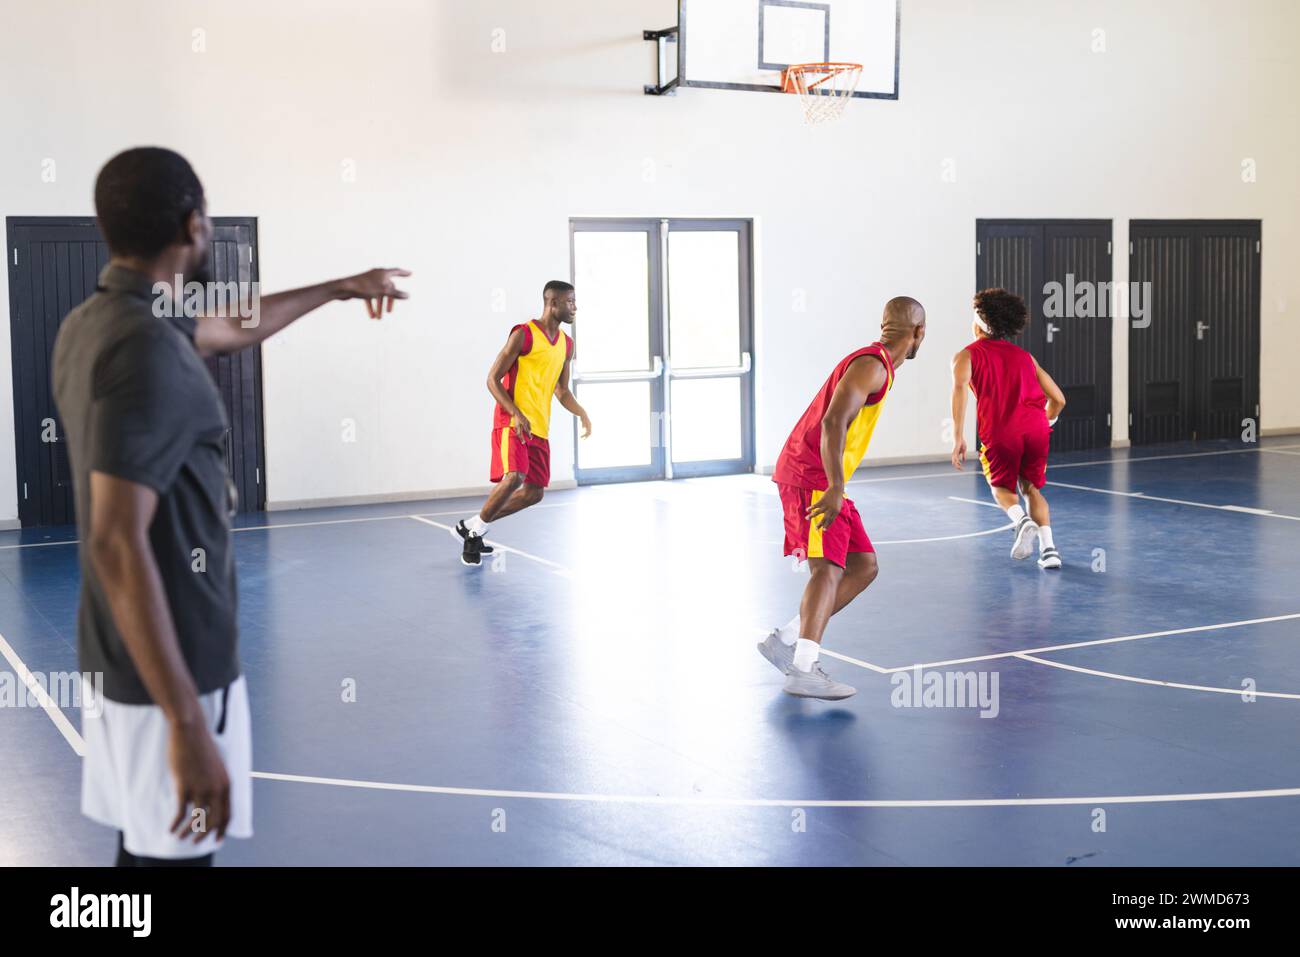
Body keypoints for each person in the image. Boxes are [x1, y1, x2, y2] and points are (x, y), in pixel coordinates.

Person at [52, 146, 410, 865]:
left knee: (145, 854)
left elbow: (234, 324)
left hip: (127, 662)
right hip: (171, 672)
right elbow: (118, 543)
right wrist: (187, 721)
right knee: (171, 861)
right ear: (192, 225)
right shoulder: (146, 345)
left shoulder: (99, 321)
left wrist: (342, 286)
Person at [759, 297, 927, 700]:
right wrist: (834, 486)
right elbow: (834, 421)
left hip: (822, 476)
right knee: (827, 569)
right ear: (918, 334)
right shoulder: (871, 365)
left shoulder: (879, 365)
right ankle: (803, 669)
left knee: (863, 565)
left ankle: (786, 639)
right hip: (813, 476)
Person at [453, 281, 591, 566]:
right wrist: (516, 413)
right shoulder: (524, 334)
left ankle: (473, 526)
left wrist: (582, 413)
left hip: (539, 427)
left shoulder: (567, 344)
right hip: (511, 422)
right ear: (552, 303)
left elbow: (561, 391)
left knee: (534, 493)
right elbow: (492, 379)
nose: (575, 307)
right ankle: (474, 534)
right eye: (570, 302)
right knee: (514, 475)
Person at [949, 287, 1065, 570]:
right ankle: (1050, 551)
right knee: (1032, 489)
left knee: (1000, 488)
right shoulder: (1026, 357)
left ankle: (1021, 521)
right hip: (1036, 430)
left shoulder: (966, 356)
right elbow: (1059, 399)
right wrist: (1044, 421)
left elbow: (960, 391)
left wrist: (957, 437)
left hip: (1002, 432)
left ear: (978, 322)